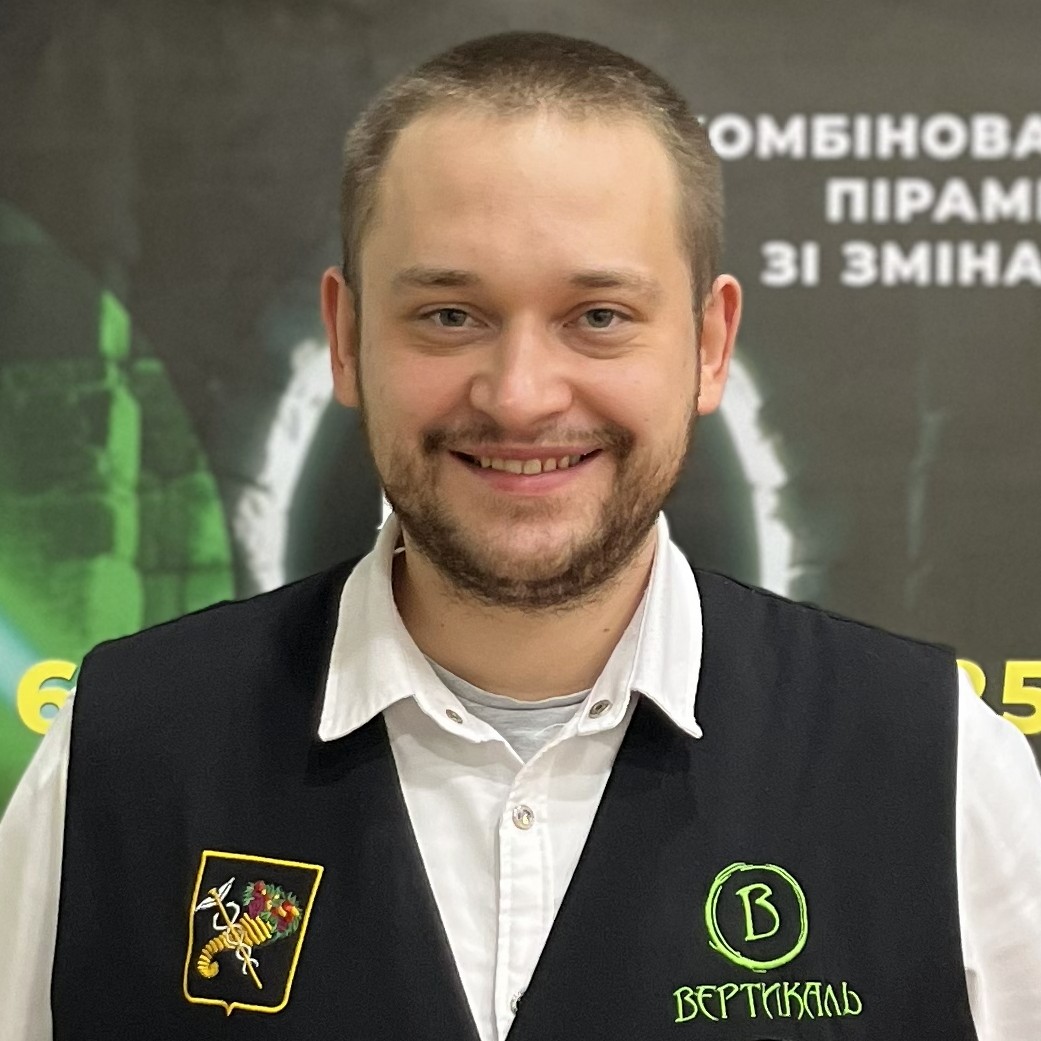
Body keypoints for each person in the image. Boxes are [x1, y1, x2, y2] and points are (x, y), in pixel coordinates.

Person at [2, 30, 1040, 1041]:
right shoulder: (115, 758)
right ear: (347, 339)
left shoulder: (942, 772)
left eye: (599, 316)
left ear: (709, 344)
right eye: (451, 315)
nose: (520, 396)